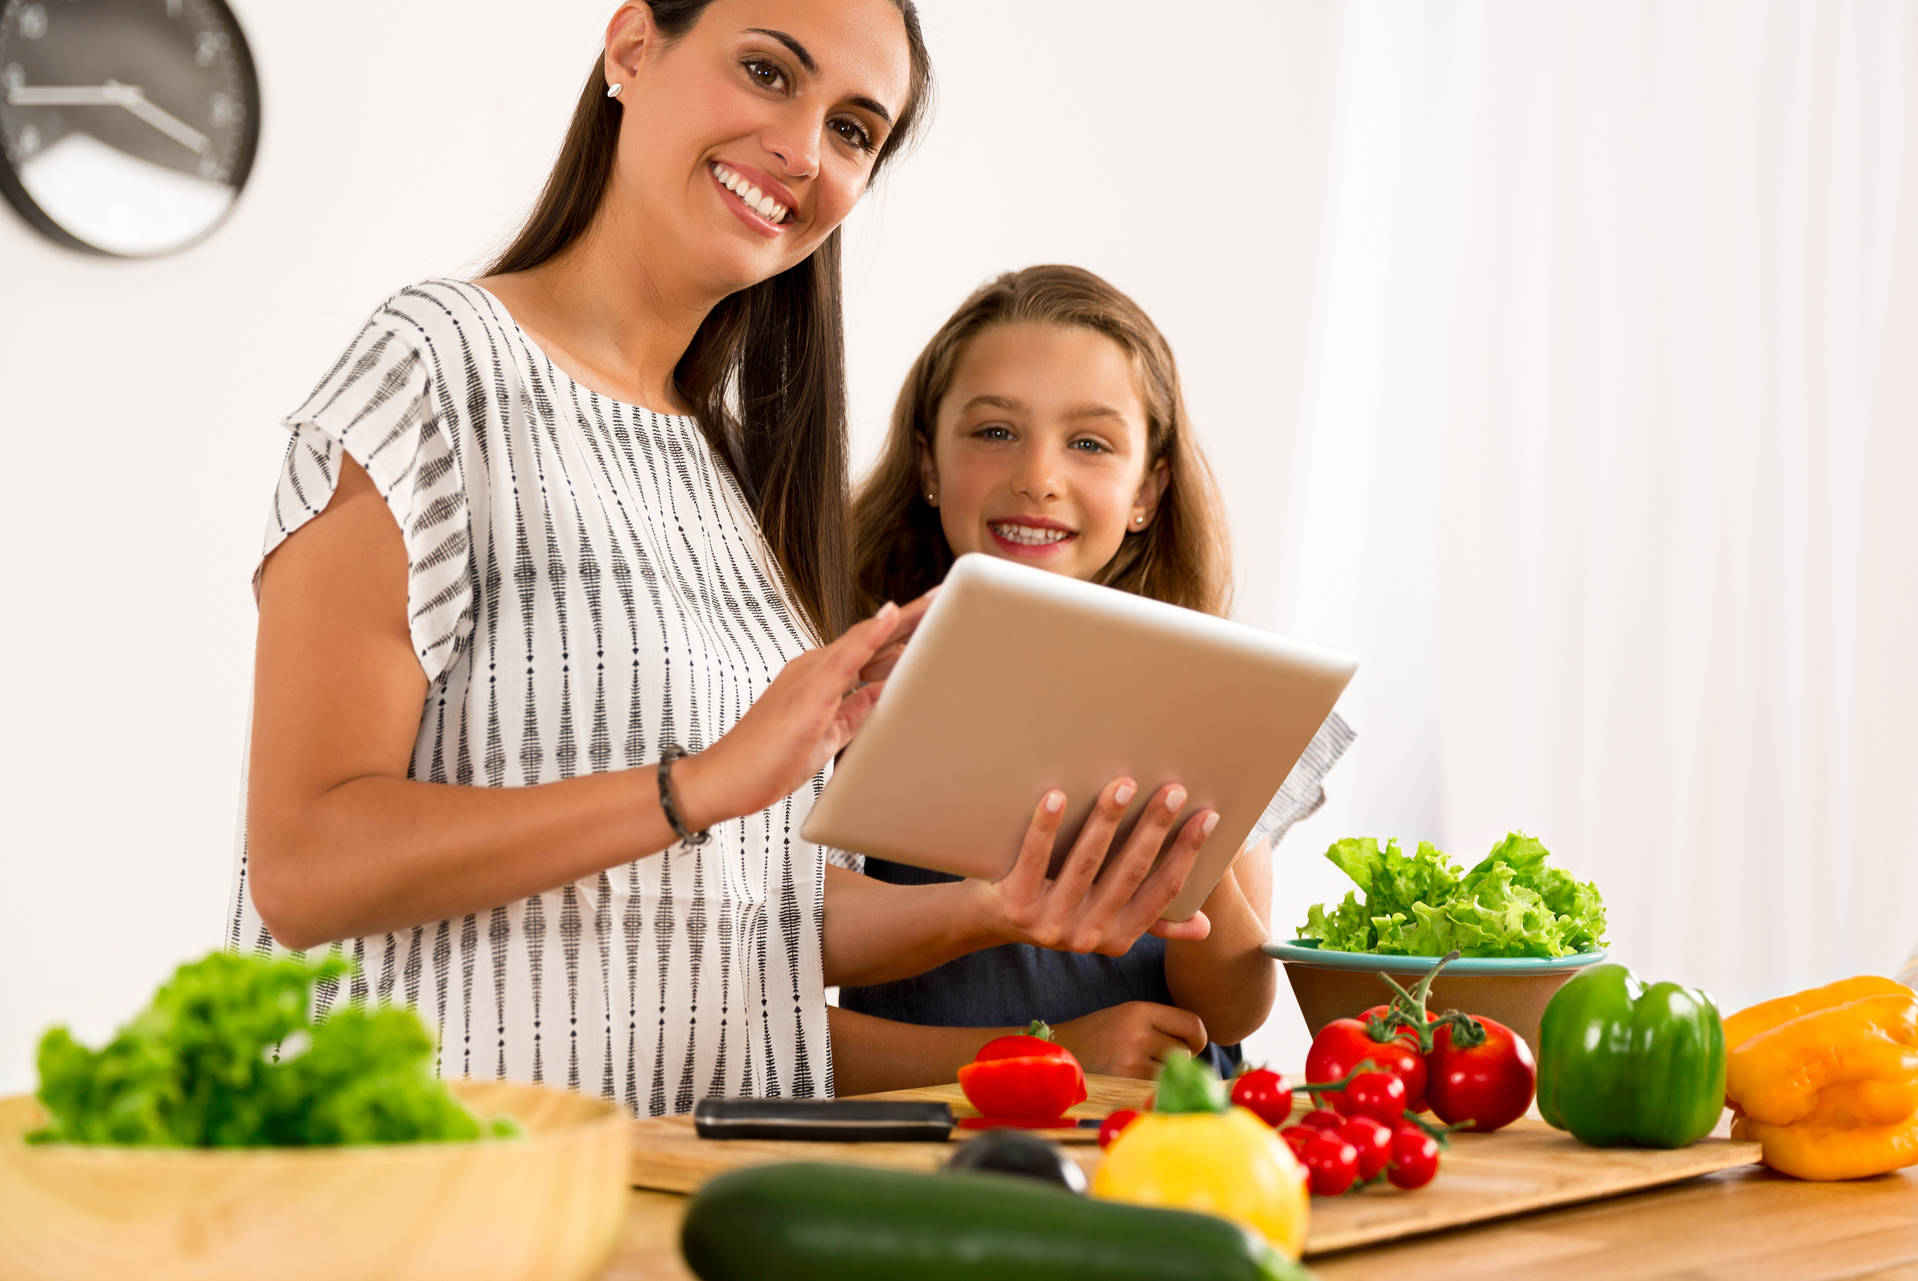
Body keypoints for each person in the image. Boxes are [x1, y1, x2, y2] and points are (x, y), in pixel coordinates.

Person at [227, 0, 1214, 1120]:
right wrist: (692, 788)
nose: (802, 149)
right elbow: (306, 867)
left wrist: (1000, 901)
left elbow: (741, 910)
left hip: (668, 1194)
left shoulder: (735, 477)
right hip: (431, 1186)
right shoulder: (442, 366)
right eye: (766, 71)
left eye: (854, 130)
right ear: (632, 48)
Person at [829, 266, 1354, 1084]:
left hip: (1165, 1142)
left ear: (1148, 490)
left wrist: (1194, 842)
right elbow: (779, 1012)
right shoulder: (850, 682)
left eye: (1090, 443)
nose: (1039, 475)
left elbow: (1235, 1005)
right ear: (927, 464)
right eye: (996, 431)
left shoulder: (1223, 687)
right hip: (933, 1146)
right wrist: (1054, 1057)